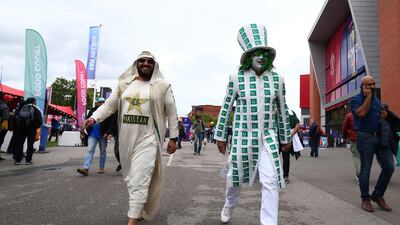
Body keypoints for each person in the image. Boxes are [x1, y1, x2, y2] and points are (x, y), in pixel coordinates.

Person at [84, 51, 178, 225]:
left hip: (149, 138)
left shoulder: (162, 86)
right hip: (126, 140)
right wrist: (94, 118)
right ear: (136, 63)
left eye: (149, 61)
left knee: (139, 178)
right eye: (142, 60)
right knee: (131, 178)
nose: (145, 63)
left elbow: (172, 112)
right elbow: (109, 106)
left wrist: (174, 137)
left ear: (154, 65)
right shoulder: (124, 85)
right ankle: (140, 208)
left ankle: (132, 220)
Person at [214, 24, 292, 225]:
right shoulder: (236, 77)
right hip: (241, 135)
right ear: (248, 56)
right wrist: (220, 136)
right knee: (234, 178)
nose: (260, 56)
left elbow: (283, 111)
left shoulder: (278, 79)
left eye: (264, 52)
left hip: (268, 136)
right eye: (256, 52)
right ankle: (229, 204)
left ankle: (269, 222)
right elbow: (225, 107)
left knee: (271, 180)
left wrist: (285, 138)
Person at [350, 75, 394, 212]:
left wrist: (384, 114)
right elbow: (361, 113)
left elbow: (378, 115)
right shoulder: (355, 100)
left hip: (380, 138)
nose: (372, 87)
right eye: (369, 85)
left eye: (374, 84)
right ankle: (365, 199)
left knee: (389, 166)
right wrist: (368, 97)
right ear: (362, 86)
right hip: (365, 137)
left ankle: (378, 195)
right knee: (365, 171)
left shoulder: (377, 100)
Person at [77, 97, 113, 175]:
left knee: (103, 151)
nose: (102, 103)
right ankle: (85, 168)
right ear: (97, 103)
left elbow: (111, 123)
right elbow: (87, 120)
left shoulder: (108, 112)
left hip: (103, 134)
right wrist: (83, 129)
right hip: (93, 134)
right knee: (90, 149)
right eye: (100, 102)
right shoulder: (92, 110)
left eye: (103, 102)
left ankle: (101, 168)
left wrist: (108, 133)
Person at [14, 97, 42, 165]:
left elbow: (16, 116)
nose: (36, 102)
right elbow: (39, 121)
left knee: (20, 144)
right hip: (31, 129)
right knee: (30, 144)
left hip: (21, 129)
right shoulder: (35, 109)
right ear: (33, 102)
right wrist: (36, 127)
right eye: (35, 101)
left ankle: (18, 160)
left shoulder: (21, 108)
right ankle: (28, 160)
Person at [280, 109, 301, 184]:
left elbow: (298, 124)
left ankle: (284, 176)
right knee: (286, 158)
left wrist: (291, 134)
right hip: (286, 137)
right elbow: (298, 124)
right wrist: (292, 134)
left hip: (279, 137)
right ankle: (285, 176)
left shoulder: (275, 109)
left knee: (282, 157)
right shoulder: (291, 111)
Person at [342, 105, 360, 182]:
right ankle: (365, 174)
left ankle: (360, 175)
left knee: (356, 157)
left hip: (355, 139)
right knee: (365, 157)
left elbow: (345, 127)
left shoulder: (349, 115)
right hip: (366, 138)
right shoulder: (365, 112)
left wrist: (344, 137)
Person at [0, 93, 11, 160]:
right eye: (9, 100)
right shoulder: (4, 106)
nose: (10, 101)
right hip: (2, 125)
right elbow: (6, 117)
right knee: (0, 140)